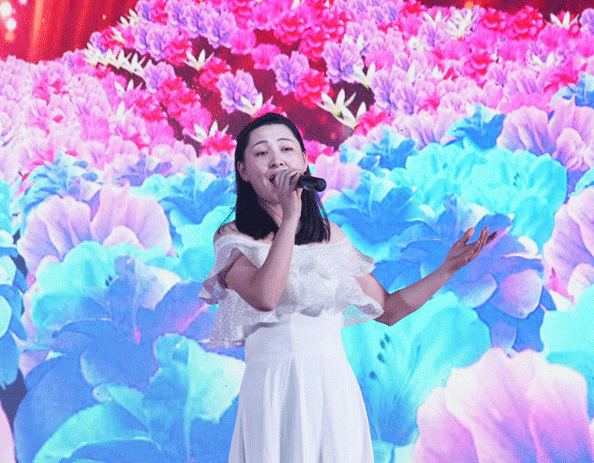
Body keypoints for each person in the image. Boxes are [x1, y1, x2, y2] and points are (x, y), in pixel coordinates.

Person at [198, 112, 496, 462]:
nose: (277, 160)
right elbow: (265, 296)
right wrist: (290, 217)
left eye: (286, 149)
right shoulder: (232, 237)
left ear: (304, 163)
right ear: (244, 170)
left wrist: (447, 269)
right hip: (273, 390)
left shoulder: (330, 236)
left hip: (332, 389)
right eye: (262, 153)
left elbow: (388, 309)